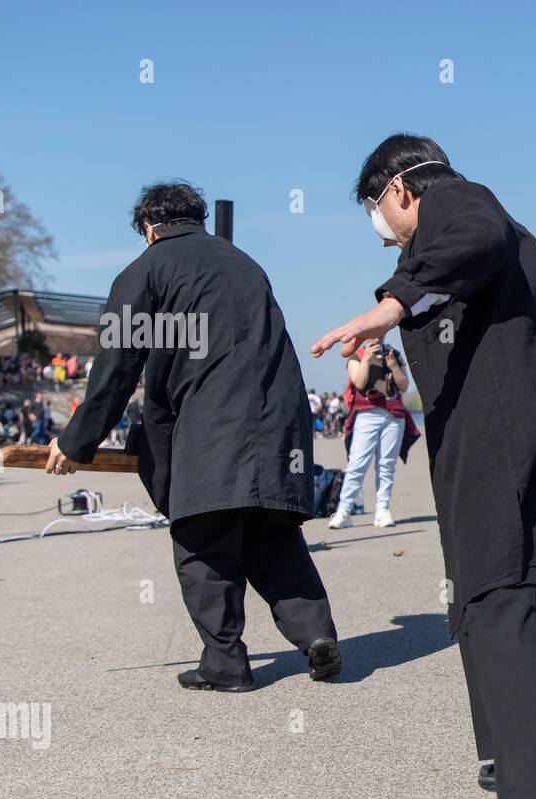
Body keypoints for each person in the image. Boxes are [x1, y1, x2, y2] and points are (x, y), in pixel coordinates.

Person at [311, 134, 536, 799]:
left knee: (494, 599)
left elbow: (472, 233)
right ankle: (514, 762)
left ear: (401, 187)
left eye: (379, 211)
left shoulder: (453, 198)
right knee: (485, 601)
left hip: (517, 426)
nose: (384, 227)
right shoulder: (463, 220)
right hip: (526, 421)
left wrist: (389, 302)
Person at [48, 180, 342, 693]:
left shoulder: (146, 270)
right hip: (282, 418)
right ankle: (316, 634)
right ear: (198, 220)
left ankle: (226, 664)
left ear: (147, 229)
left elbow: (118, 365)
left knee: (202, 537)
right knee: (271, 532)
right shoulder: (244, 263)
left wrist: (76, 442)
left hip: (213, 421)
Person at [328, 339, 418, 529]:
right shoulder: (357, 355)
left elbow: (403, 386)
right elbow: (359, 382)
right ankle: (343, 510)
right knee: (357, 464)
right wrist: (368, 358)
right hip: (366, 414)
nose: (376, 337)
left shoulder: (394, 354)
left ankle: (382, 510)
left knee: (386, 465)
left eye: (380, 333)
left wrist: (393, 366)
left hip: (394, 415)